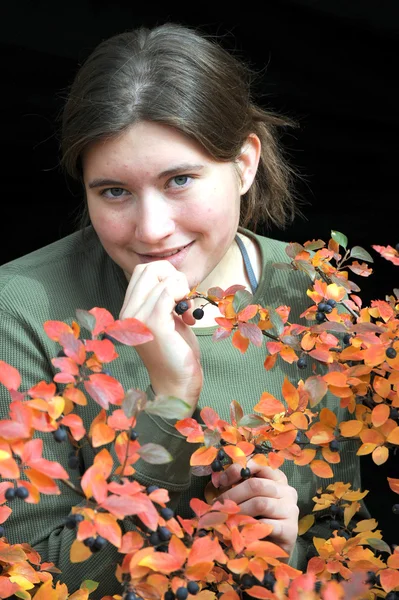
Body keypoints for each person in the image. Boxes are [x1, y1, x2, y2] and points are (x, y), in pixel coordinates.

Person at [0, 22, 366, 599]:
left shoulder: (316, 297)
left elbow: (346, 548)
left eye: (180, 180)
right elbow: (27, 576)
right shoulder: (19, 309)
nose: (150, 230)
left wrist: (282, 545)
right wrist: (170, 400)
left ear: (245, 163)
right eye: (114, 191)